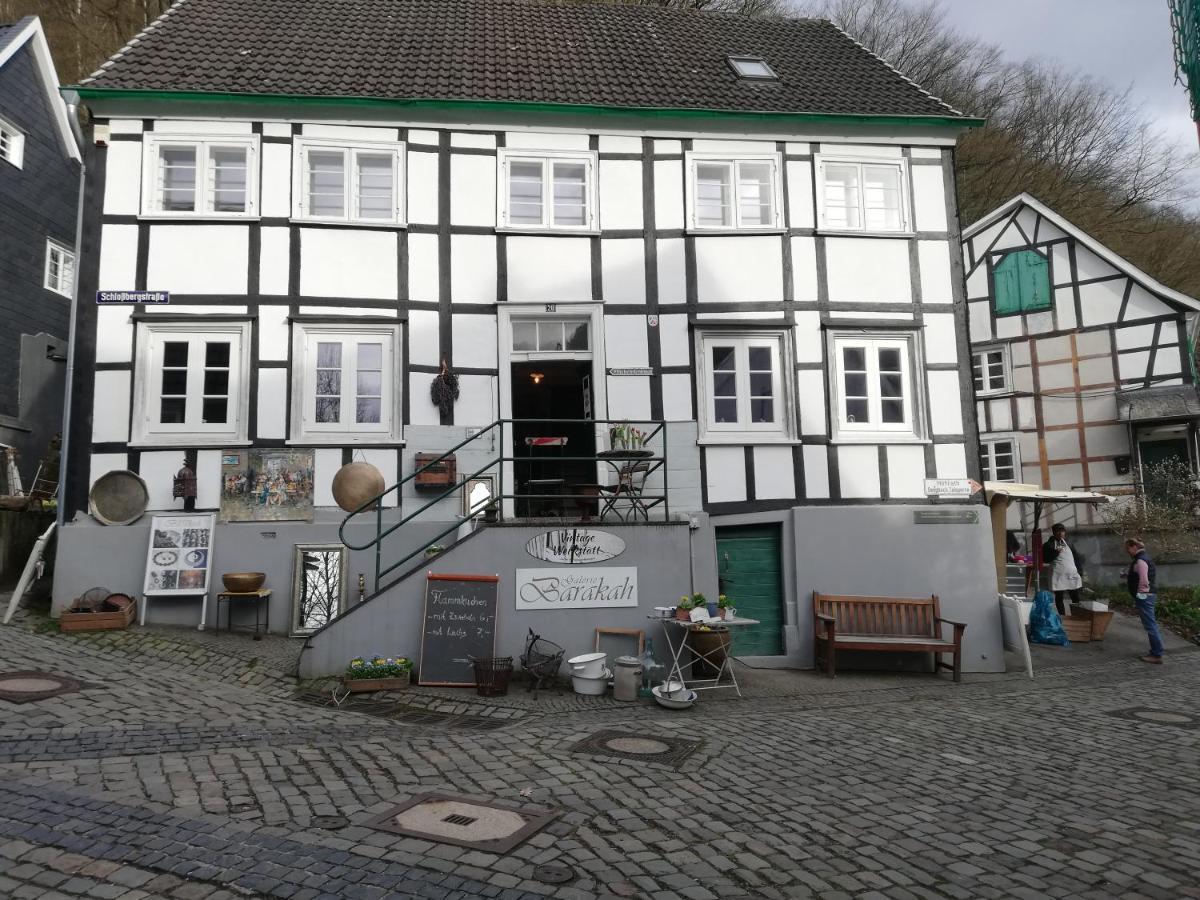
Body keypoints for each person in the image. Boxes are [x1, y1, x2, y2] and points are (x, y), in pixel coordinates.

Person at [1125, 538, 1164, 664]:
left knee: (1150, 625)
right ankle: (1156, 652)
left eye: (1128, 549)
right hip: (1148, 595)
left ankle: (1156, 654)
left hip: (1145, 596)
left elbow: (1144, 581)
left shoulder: (1141, 560)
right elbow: (1140, 575)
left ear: (1134, 547)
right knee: (1150, 624)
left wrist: (1140, 596)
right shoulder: (1142, 558)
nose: (1127, 552)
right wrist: (1128, 575)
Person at [1042, 523, 1084, 615]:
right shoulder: (1048, 545)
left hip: (1071, 573)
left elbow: (1076, 558)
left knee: (1075, 596)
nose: (1061, 533)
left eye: (1062, 531)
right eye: (1058, 531)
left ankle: (1077, 615)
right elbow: (1045, 559)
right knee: (1059, 596)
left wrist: (1080, 571)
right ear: (1054, 533)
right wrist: (1055, 553)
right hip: (1058, 574)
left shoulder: (1068, 543)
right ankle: (1062, 617)